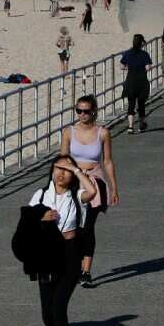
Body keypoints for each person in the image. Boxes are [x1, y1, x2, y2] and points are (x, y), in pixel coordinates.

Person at [29, 156, 97, 326]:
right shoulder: (40, 195)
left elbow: (93, 192)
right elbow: (27, 221)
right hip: (46, 254)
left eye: (67, 169)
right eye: (59, 168)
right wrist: (41, 218)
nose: (62, 173)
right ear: (51, 170)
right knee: (46, 312)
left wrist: (77, 171)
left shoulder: (77, 195)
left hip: (70, 254)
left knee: (59, 306)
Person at [59, 96, 118, 288]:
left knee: (88, 226)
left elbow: (107, 161)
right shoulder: (69, 132)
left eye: (86, 111)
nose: (82, 115)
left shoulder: (103, 133)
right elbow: (62, 159)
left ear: (93, 111)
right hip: (74, 180)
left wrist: (114, 187)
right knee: (71, 223)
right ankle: (71, 265)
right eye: (79, 111)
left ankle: (85, 271)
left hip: (94, 181)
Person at [120, 34, 152, 133]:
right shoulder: (144, 54)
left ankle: (130, 126)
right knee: (141, 104)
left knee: (131, 104)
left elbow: (121, 66)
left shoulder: (127, 53)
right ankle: (141, 124)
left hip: (131, 80)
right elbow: (148, 68)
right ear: (142, 43)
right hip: (141, 80)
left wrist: (129, 67)